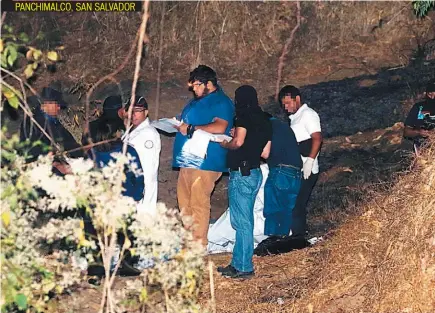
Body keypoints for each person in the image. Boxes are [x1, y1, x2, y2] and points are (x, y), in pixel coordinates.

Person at [172, 65, 234, 246]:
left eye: (198, 85)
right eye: (193, 86)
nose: (194, 89)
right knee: (184, 200)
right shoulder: (195, 102)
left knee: (198, 200)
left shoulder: (221, 102)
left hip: (207, 160)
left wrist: (192, 128)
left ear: (209, 83)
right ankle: (189, 240)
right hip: (188, 158)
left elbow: (220, 126)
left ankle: (199, 244)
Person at [217, 85, 272, 279]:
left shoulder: (242, 116)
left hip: (241, 173)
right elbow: (266, 152)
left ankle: (243, 267)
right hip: (255, 173)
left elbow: (238, 143)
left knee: (242, 223)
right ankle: (238, 262)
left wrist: (225, 143)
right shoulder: (265, 120)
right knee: (243, 221)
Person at [279, 85, 322, 239]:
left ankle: (299, 237)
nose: (286, 107)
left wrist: (310, 161)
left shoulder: (308, 115)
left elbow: (317, 138)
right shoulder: (295, 118)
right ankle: (297, 235)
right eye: (284, 104)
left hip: (307, 168)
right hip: (297, 167)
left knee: (297, 204)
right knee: (295, 204)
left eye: (289, 103)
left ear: (297, 99)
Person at [20, 82, 83, 174]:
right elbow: (33, 153)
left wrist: (82, 155)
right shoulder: (33, 123)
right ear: (45, 105)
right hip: (41, 170)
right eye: (56, 104)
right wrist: (57, 165)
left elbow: (69, 142)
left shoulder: (54, 122)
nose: (58, 108)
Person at [262, 112, 302, 237]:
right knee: (287, 211)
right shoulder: (284, 126)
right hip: (296, 173)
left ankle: (271, 242)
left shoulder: (268, 127)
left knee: (272, 209)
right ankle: (283, 241)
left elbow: (265, 153)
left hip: (280, 171)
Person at [118, 95, 161, 213]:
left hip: (141, 186)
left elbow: (147, 166)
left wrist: (138, 189)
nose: (133, 114)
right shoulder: (132, 130)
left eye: (137, 110)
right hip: (131, 183)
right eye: (131, 110)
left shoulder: (149, 134)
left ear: (146, 112)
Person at [404, 79, 435, 155]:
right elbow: (406, 132)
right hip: (423, 151)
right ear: (429, 94)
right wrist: (419, 132)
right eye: (431, 93)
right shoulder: (418, 107)